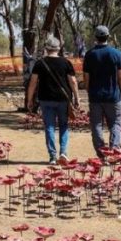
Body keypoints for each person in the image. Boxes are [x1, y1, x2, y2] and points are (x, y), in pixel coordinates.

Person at [25, 35, 80, 164]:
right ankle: (63, 152)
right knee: (64, 125)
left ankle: (52, 157)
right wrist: (77, 98)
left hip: (45, 99)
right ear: (59, 48)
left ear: (46, 48)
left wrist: (29, 100)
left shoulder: (40, 63)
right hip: (63, 100)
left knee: (49, 127)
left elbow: (32, 83)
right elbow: (73, 81)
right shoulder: (66, 63)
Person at [81, 25, 121, 160]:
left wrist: (89, 90)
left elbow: (86, 78)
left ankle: (101, 152)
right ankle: (114, 150)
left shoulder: (89, 55)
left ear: (96, 37)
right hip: (113, 97)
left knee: (96, 125)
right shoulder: (116, 54)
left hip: (95, 97)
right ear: (108, 37)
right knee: (115, 124)